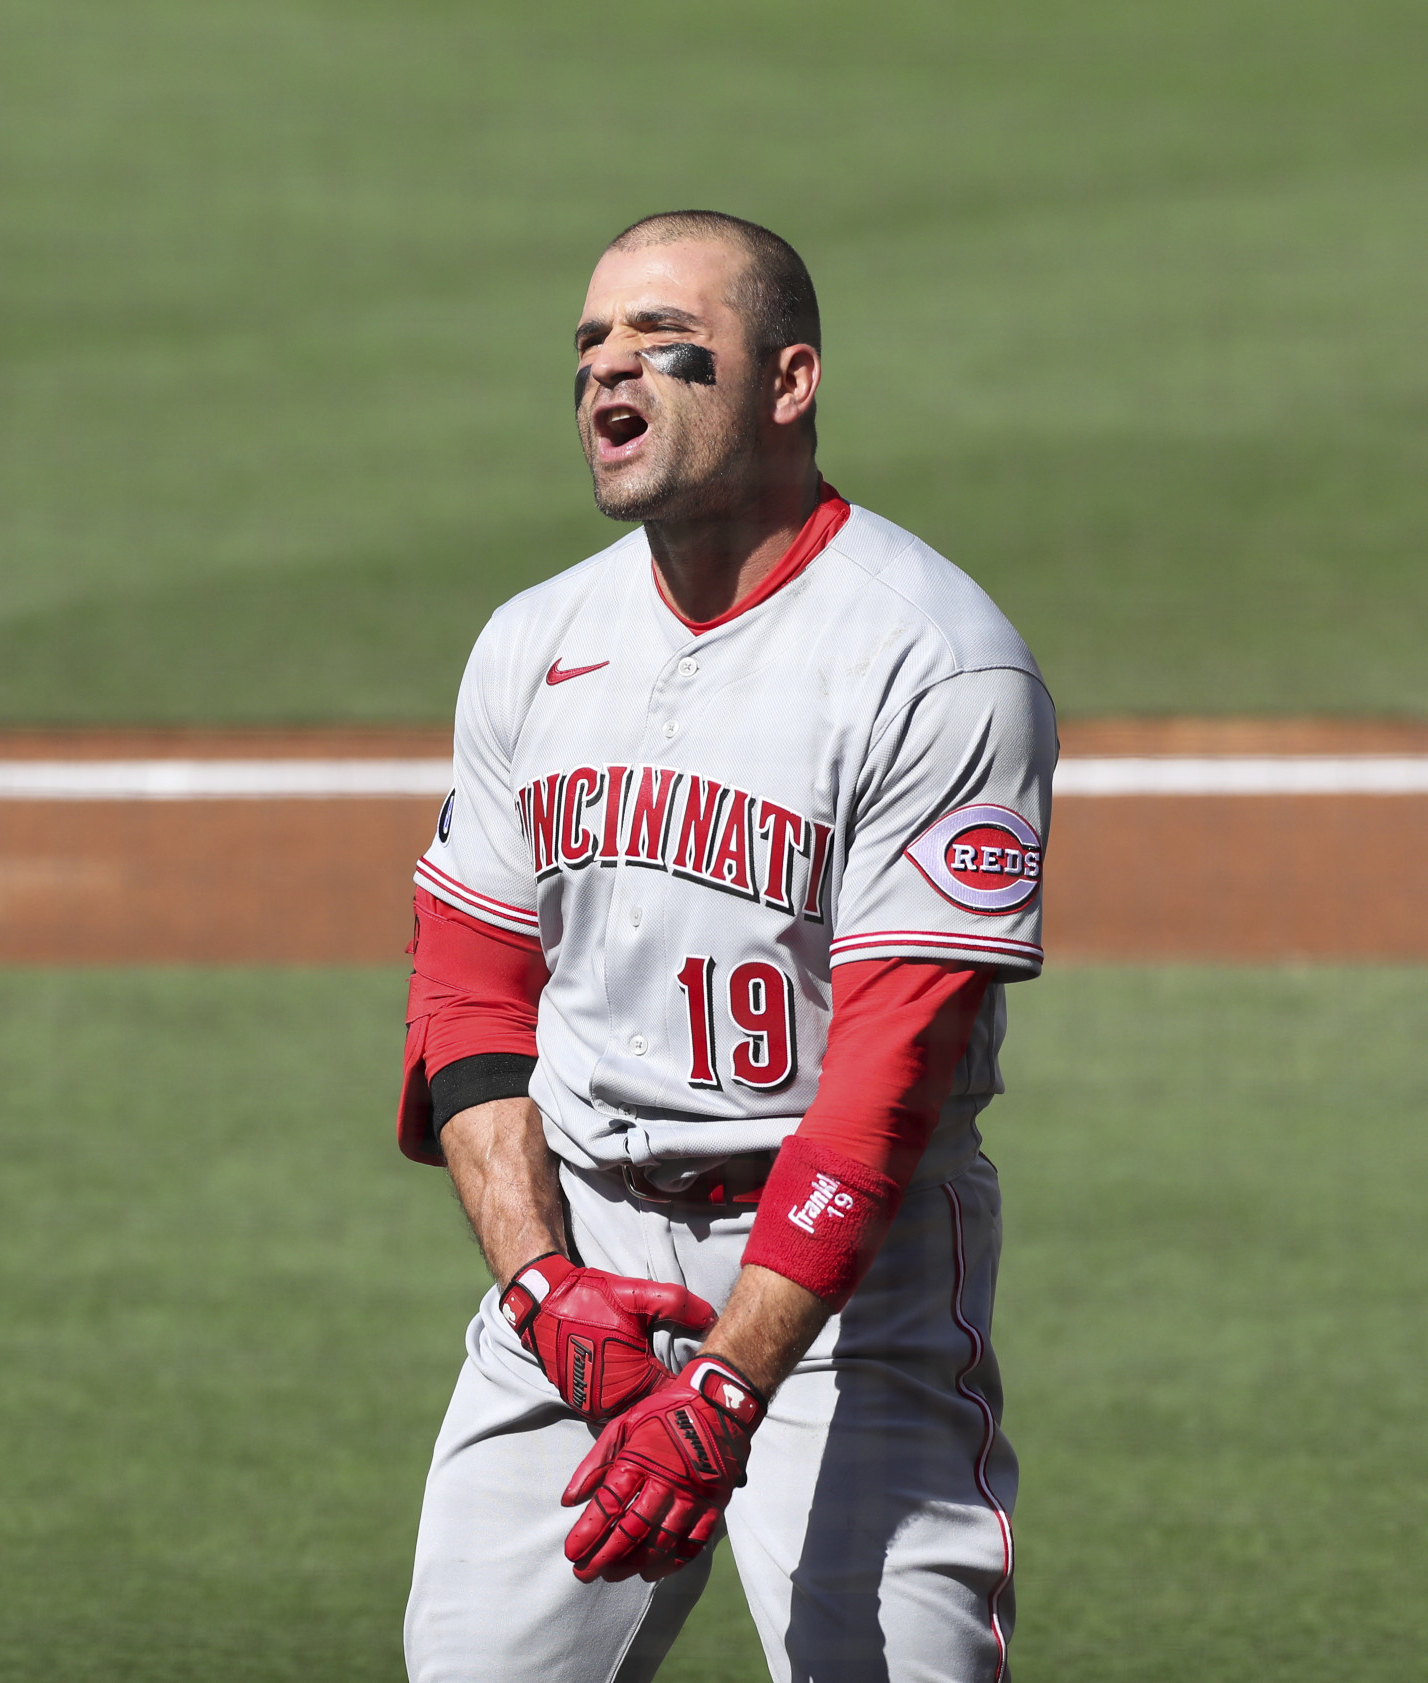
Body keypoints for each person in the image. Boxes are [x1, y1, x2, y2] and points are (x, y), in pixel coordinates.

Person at [395, 209, 1056, 1682]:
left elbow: (887, 1079)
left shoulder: (933, 663)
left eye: (659, 338)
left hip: (844, 1289)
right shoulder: (532, 644)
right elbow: (467, 994)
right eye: (587, 344)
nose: (606, 370)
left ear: (788, 381)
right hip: (587, 1260)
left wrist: (730, 1387)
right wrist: (541, 1292)